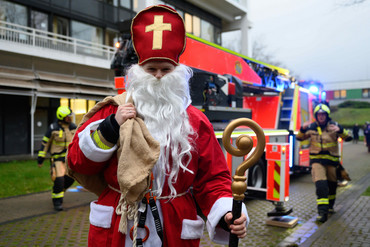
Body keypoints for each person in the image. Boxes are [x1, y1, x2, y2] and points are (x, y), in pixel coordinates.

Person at [67, 5, 248, 247]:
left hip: (173, 224)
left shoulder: (195, 121)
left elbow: (212, 178)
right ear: (139, 71)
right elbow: (78, 162)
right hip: (120, 224)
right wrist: (111, 127)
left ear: (177, 72)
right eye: (151, 69)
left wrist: (226, 212)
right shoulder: (112, 110)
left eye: (166, 69)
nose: (159, 76)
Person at [297, 103, 352, 223]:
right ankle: (322, 212)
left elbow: (349, 137)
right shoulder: (311, 127)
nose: (321, 117)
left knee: (332, 185)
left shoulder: (335, 126)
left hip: (332, 162)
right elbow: (299, 137)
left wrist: (341, 130)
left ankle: (330, 205)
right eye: (319, 114)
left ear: (327, 116)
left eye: (323, 115)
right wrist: (302, 128)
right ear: (316, 116)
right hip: (317, 161)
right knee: (321, 184)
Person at [38, 106, 77, 211]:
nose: (70, 118)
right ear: (61, 117)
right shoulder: (53, 128)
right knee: (59, 178)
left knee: (71, 178)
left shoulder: (73, 127)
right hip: (57, 159)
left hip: (69, 158)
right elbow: (45, 143)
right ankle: (57, 201)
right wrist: (41, 158)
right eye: (67, 117)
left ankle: (59, 190)